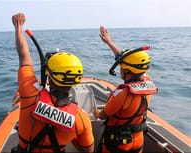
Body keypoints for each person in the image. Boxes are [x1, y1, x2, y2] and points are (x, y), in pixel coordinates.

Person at [11, 13, 94, 153]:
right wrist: (72, 134)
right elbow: (88, 150)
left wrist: (18, 27)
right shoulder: (81, 119)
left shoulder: (29, 95)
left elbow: (24, 56)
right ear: (76, 80)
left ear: (49, 77)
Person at [93, 26, 158, 153]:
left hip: (118, 144)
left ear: (127, 71)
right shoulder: (148, 81)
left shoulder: (122, 94)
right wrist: (109, 42)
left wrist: (95, 112)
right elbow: (125, 58)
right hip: (138, 141)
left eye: (121, 67)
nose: (120, 69)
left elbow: (102, 115)